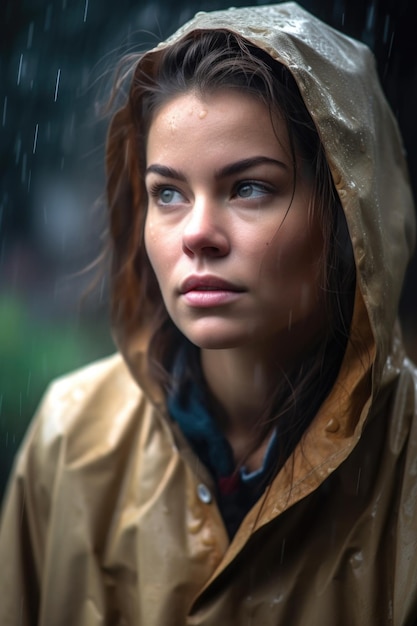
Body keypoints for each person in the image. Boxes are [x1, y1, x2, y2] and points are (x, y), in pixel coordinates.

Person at [1, 2, 416, 624]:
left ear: (347, 213)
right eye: (168, 193)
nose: (197, 234)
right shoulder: (71, 439)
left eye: (249, 187)